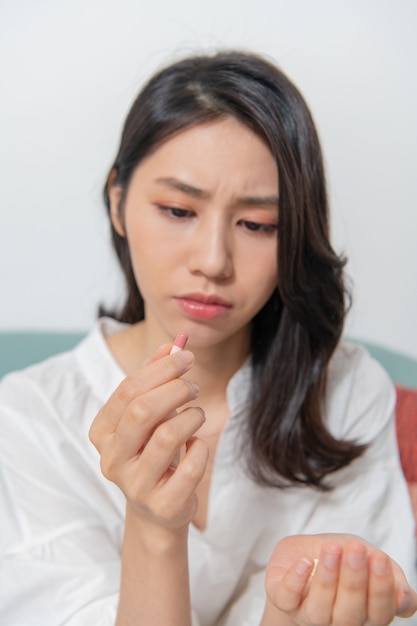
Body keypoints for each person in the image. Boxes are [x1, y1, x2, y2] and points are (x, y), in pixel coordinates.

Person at [0, 49, 416, 626]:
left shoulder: (346, 393)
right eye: (177, 210)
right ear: (118, 201)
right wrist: (154, 525)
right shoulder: (25, 421)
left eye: (258, 225)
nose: (214, 261)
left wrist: (292, 612)